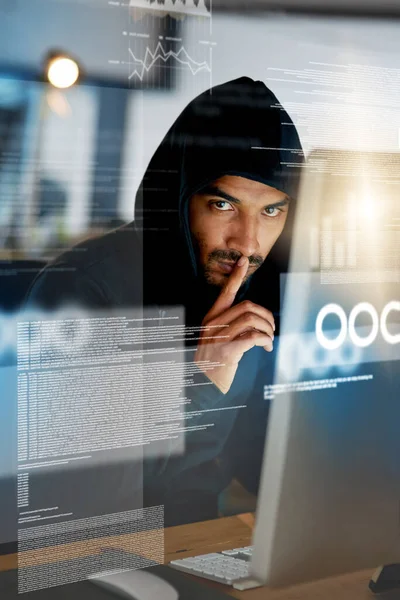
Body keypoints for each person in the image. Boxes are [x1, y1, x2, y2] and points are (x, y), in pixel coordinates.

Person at [26, 76, 304, 526]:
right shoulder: (84, 291)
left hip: (197, 549)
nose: (248, 243)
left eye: (271, 211)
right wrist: (203, 378)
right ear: (178, 196)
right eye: (223, 205)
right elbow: (76, 496)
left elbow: (260, 461)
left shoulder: (260, 293)